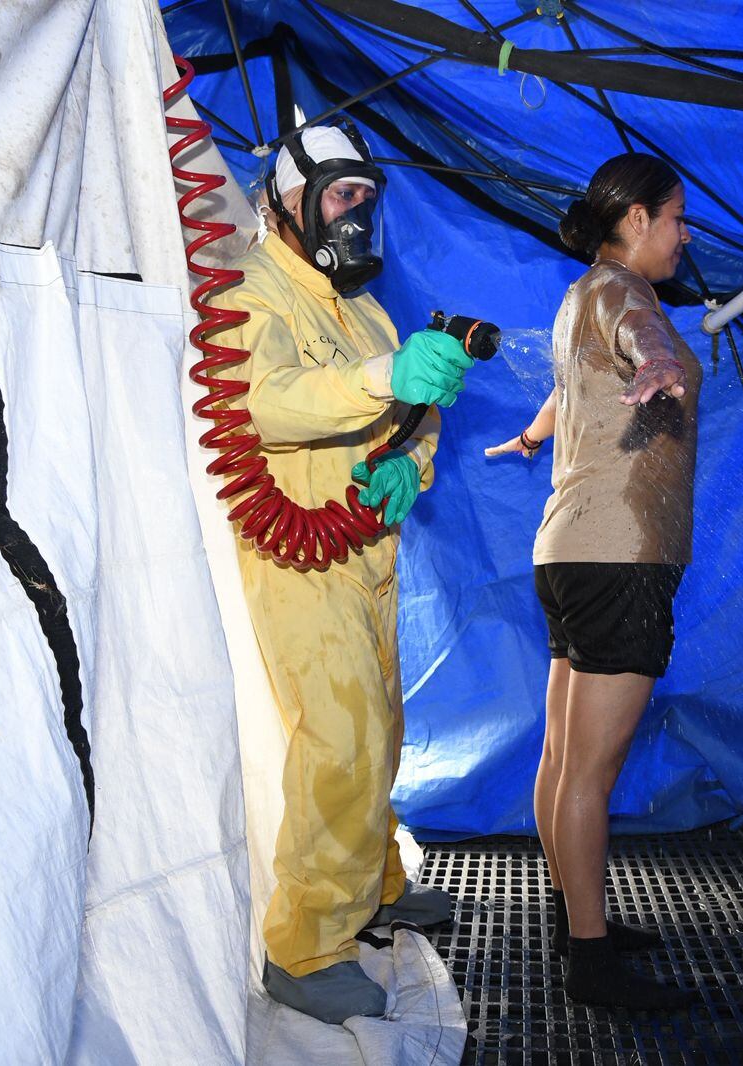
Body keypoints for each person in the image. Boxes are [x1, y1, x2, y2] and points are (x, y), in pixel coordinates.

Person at [218, 121, 480, 1024]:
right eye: (341, 196)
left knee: (384, 721)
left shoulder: (365, 308)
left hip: (371, 551)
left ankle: (373, 882)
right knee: (341, 733)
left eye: (366, 198)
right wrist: (380, 377)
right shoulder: (253, 294)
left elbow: (421, 408)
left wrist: (417, 461)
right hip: (299, 551)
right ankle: (305, 945)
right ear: (292, 201)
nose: (357, 216)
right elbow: (263, 404)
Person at [486, 152, 700, 1010]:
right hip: (618, 557)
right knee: (589, 773)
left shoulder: (583, 293)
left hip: (568, 552)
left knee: (561, 757)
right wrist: (660, 362)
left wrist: (538, 434)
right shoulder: (626, 295)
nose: (686, 235)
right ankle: (591, 962)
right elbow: (639, 344)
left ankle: (578, 913)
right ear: (638, 219)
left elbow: (574, 385)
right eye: (677, 218)